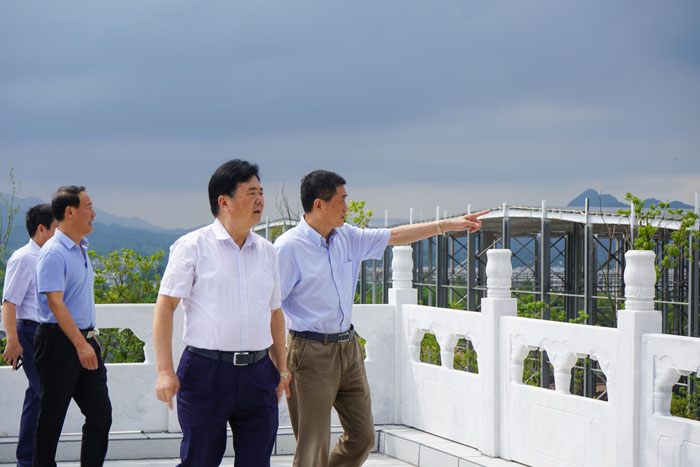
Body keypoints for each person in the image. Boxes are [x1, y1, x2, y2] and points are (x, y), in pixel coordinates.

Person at [274, 170, 488, 467]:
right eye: (341, 200)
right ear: (319, 205)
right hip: (309, 352)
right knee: (312, 448)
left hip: (348, 348)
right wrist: (277, 363)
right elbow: (270, 307)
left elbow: (395, 236)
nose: (346, 207)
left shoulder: (347, 237)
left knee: (363, 438)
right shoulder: (288, 248)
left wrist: (446, 225)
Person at [153, 160, 291, 467]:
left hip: (258, 373)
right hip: (206, 372)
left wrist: (282, 368)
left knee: (257, 461)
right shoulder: (192, 246)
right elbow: (165, 306)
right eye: (251, 193)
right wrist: (165, 371)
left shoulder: (267, 251)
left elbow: (275, 313)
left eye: (261, 192)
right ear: (224, 201)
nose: (260, 200)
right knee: (200, 460)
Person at [34, 186, 112, 467]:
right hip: (59, 343)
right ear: (70, 211)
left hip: (84, 341)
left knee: (100, 414)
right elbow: (56, 304)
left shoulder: (81, 249)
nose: (94, 214)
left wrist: (89, 338)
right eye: (89, 207)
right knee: (51, 419)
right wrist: (80, 344)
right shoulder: (53, 253)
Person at [2, 204, 57, 467]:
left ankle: (27, 460)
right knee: (47, 396)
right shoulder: (23, 258)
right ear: (41, 229)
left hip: (47, 333)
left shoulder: (49, 257)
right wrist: (12, 341)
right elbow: (9, 302)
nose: (59, 234)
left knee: (37, 398)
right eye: (56, 228)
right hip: (29, 332)